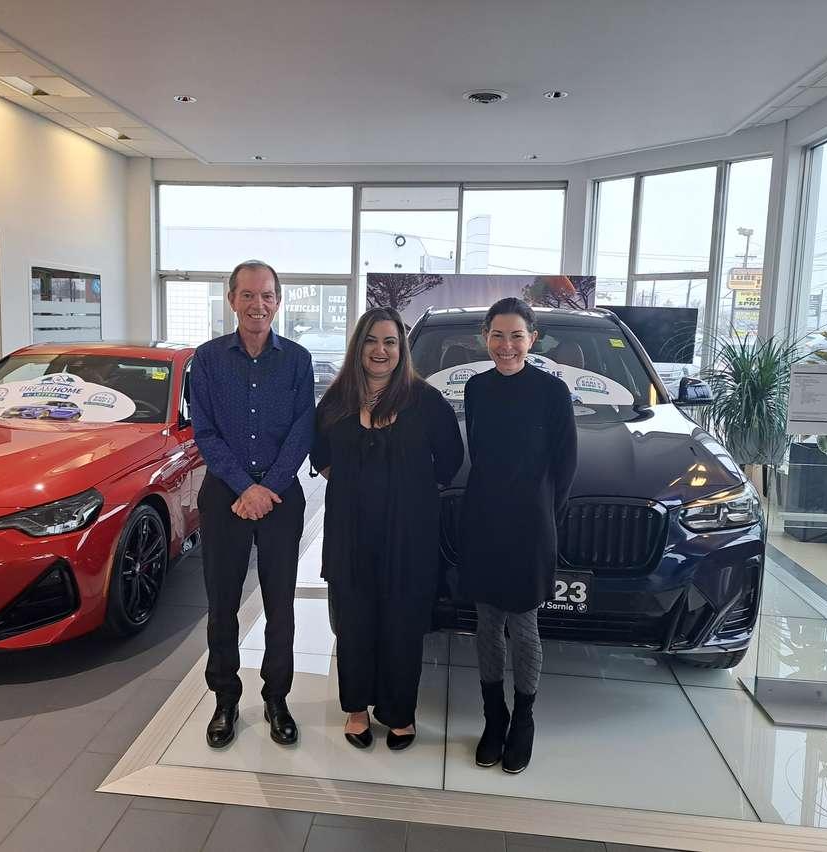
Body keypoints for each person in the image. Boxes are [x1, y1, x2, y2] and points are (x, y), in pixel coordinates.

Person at [311, 307, 463, 751]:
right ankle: (357, 710)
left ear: (402, 349)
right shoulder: (337, 399)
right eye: (372, 341)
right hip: (349, 532)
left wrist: (410, 494)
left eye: (390, 342)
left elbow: (450, 459)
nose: (381, 350)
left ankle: (399, 713)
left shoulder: (425, 399)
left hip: (409, 536)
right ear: (359, 345)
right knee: (354, 624)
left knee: (402, 625)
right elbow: (316, 452)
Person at [189, 259, 315, 749]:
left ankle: (276, 697)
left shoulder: (298, 360)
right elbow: (205, 432)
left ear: (278, 301)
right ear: (231, 300)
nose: (257, 304)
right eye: (247, 295)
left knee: (280, 604)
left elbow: (304, 428)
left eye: (266, 295)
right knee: (222, 605)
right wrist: (245, 488)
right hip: (225, 495)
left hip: (281, 495)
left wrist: (269, 488)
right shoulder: (209, 358)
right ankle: (224, 700)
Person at [460, 297, 578, 774]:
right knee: (486, 623)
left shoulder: (552, 392)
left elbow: (565, 464)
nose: (506, 345)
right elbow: (481, 456)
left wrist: (545, 514)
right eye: (497, 335)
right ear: (485, 338)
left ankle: (524, 720)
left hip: (531, 523)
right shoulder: (475, 388)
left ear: (532, 339)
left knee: (524, 625)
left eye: (516, 335)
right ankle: (494, 718)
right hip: (483, 519)